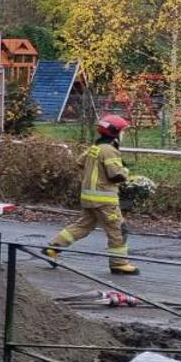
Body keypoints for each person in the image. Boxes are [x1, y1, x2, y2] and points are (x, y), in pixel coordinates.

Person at [44, 114, 139, 276]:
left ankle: (53, 248)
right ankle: (119, 263)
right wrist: (126, 172)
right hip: (105, 199)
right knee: (118, 229)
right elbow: (116, 175)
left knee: (83, 226)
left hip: (89, 197)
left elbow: (80, 162)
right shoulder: (109, 150)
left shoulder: (95, 147)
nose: (123, 134)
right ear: (115, 132)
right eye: (122, 131)